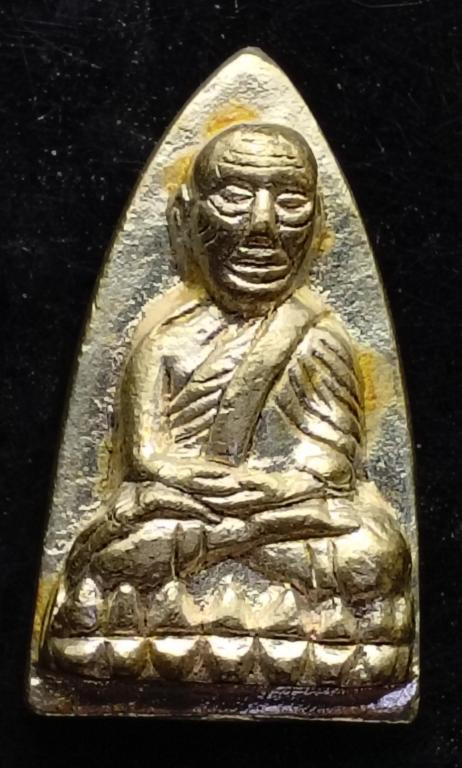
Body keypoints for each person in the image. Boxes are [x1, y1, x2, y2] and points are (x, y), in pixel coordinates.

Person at [44, 124, 412, 683]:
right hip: (191, 512)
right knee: (114, 547)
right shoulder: (164, 342)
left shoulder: (316, 335)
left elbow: (334, 467)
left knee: (375, 552)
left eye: (290, 203)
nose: (262, 225)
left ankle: (171, 616)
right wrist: (224, 504)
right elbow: (146, 459)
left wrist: (264, 497)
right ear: (185, 219)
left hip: (273, 514)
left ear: (318, 224)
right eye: (235, 197)